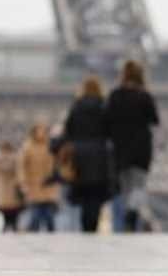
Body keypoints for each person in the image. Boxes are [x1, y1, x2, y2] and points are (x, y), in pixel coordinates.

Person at [104, 60, 159, 232]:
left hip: (121, 148)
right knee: (139, 186)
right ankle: (132, 214)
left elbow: (106, 122)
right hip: (141, 149)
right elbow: (155, 120)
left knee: (125, 186)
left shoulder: (115, 95)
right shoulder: (144, 96)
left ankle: (126, 218)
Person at [60, 76, 113, 232]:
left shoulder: (76, 108)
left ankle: (85, 226)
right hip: (99, 154)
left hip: (79, 154)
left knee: (83, 192)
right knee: (95, 193)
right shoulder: (104, 107)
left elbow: (68, 131)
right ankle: (93, 225)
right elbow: (110, 131)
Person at [18, 122, 59, 232]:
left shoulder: (51, 146)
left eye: (43, 131)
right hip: (34, 185)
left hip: (48, 185)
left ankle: (52, 239)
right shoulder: (27, 147)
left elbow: (58, 163)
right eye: (39, 130)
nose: (41, 133)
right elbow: (22, 167)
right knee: (35, 216)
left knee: (49, 217)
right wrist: (23, 183)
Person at [0, 142, 23, 232]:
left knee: (6, 212)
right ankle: (13, 226)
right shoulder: (16, 158)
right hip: (12, 187)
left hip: (3, 189)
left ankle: (6, 227)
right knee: (13, 210)